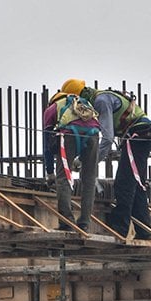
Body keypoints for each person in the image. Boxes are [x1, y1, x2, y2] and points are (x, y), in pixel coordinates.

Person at [79, 85, 151, 239]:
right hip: (141, 134)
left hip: (138, 135)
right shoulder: (103, 98)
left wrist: (90, 163)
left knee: (124, 183)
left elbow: (107, 139)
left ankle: (119, 229)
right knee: (136, 184)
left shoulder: (101, 101)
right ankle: (144, 232)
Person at [42, 78, 100, 232]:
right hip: (94, 135)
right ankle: (84, 223)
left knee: (64, 178)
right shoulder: (84, 104)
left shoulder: (53, 108)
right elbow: (88, 125)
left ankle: (67, 222)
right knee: (89, 179)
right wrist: (80, 159)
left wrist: (49, 172)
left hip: (69, 135)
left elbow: (46, 143)